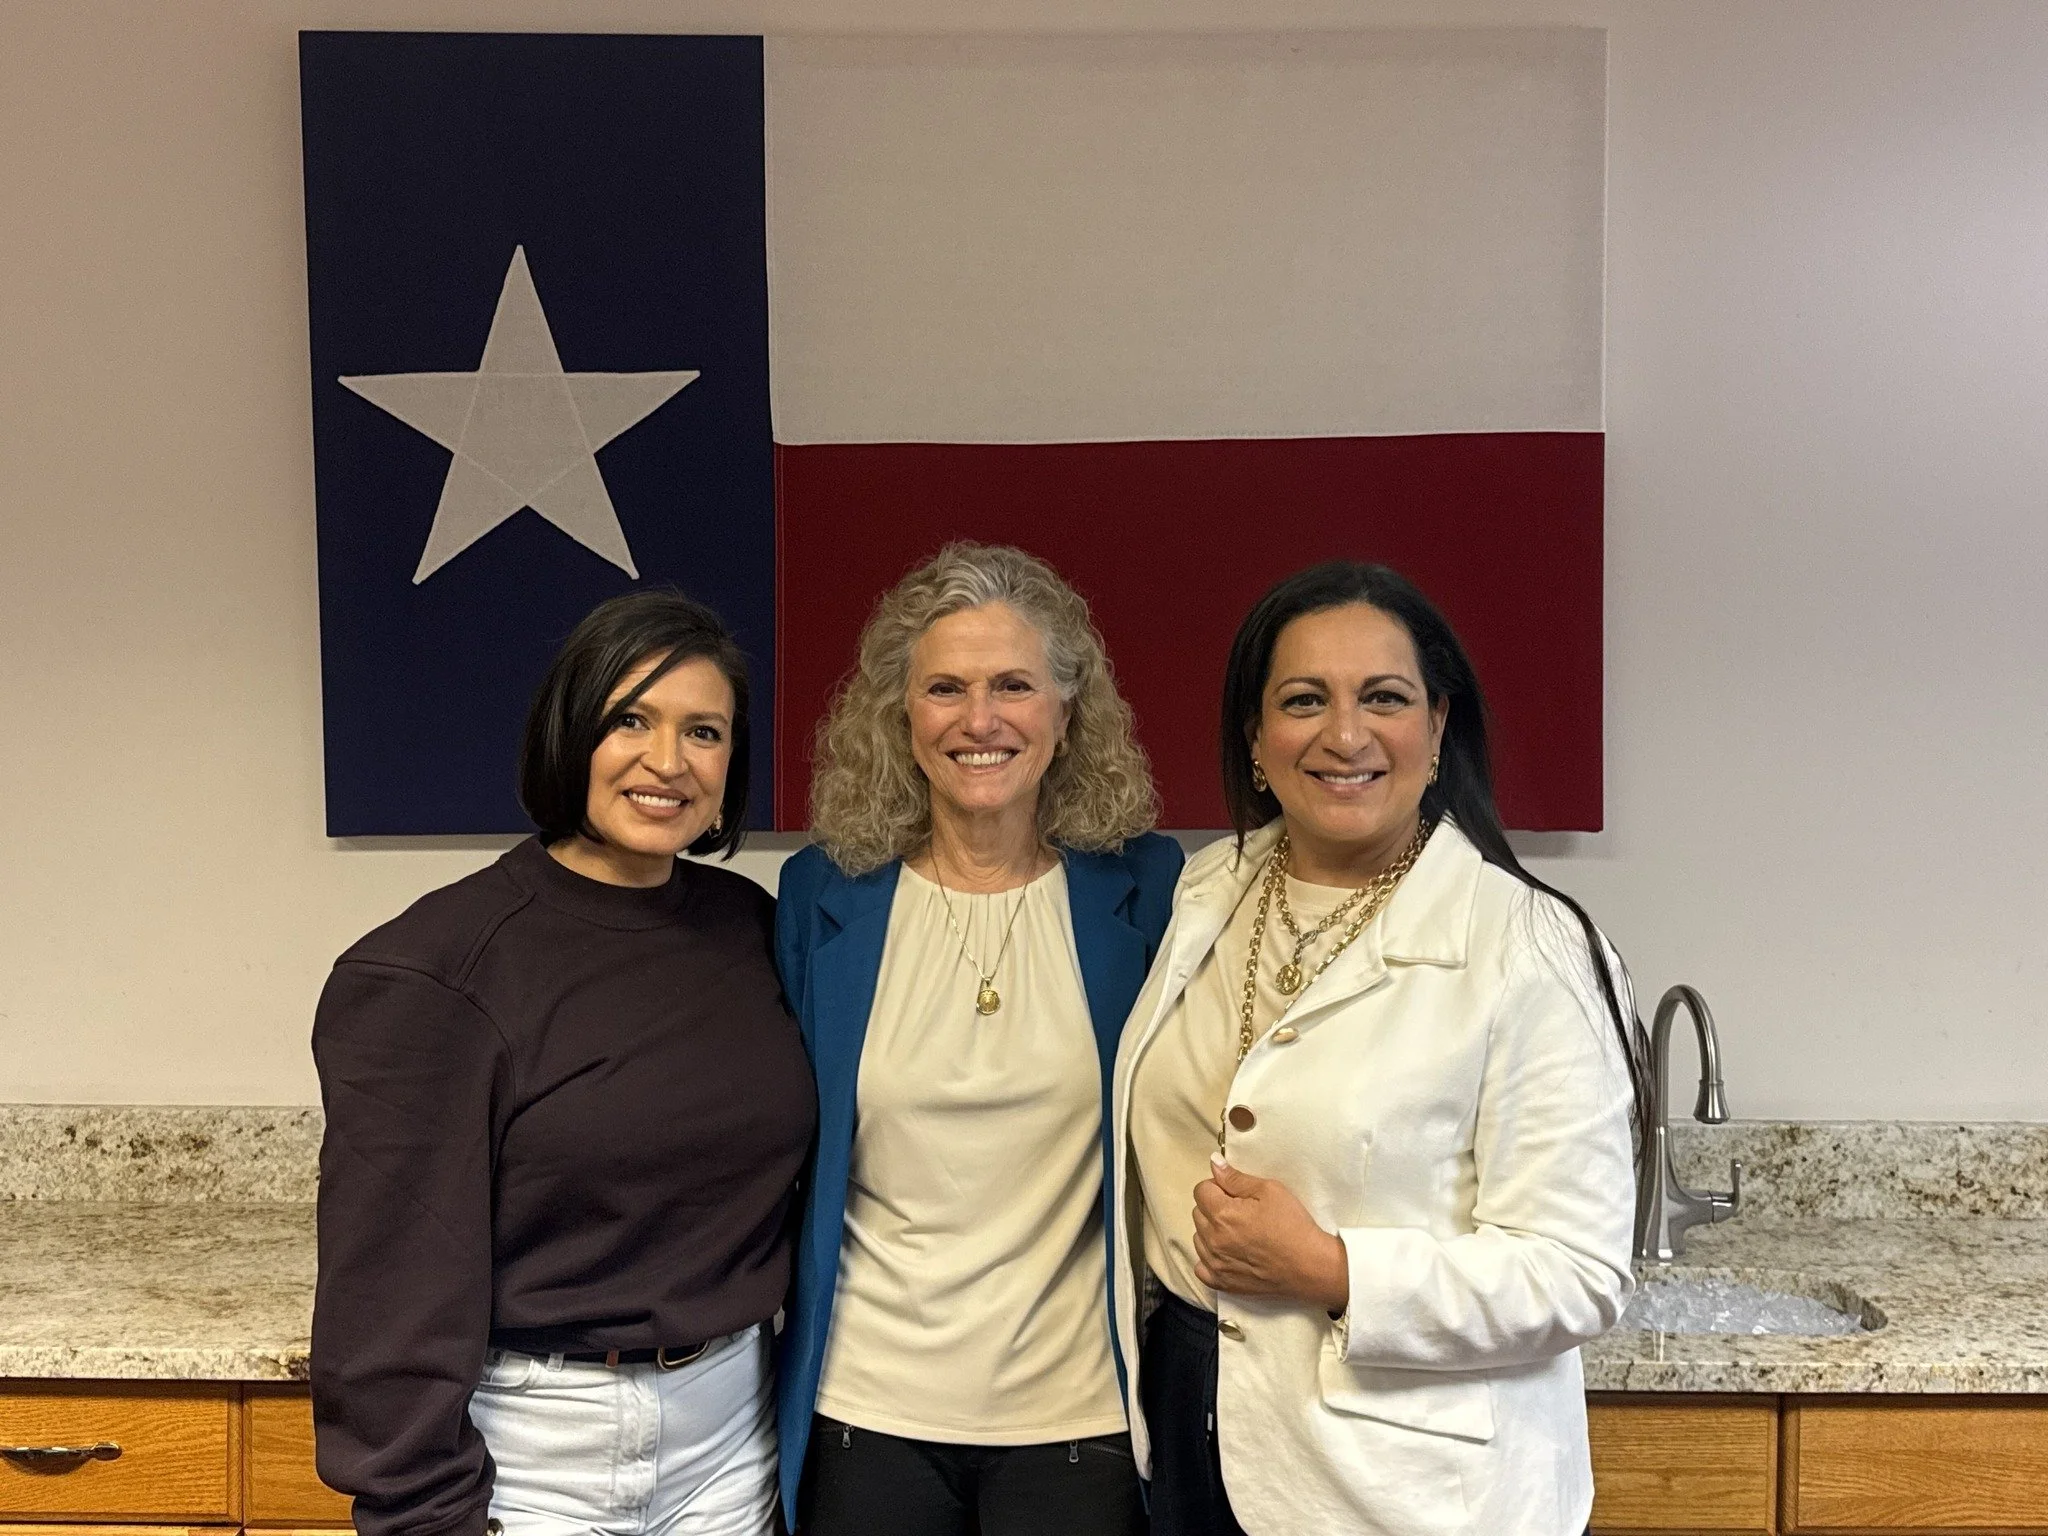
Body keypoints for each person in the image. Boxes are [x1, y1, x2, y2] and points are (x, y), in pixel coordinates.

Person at [1113, 561, 1644, 1536]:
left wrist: (1331, 1267)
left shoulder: (1525, 945)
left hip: (1402, 1489)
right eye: (1303, 700)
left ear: (1437, 729)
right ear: (1255, 736)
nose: (1343, 734)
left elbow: (1576, 1271)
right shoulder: (1206, 890)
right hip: (1190, 1432)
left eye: (1383, 699)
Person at [311, 590, 816, 1536]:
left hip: (732, 1443)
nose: (668, 762)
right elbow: (385, 1302)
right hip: (534, 1454)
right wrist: (422, 1513)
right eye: (631, 719)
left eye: (703, 732)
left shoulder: (751, 929)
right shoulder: (432, 974)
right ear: (568, 730)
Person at [775, 543, 1182, 1536]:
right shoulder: (821, 896)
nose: (979, 719)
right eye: (944, 688)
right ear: (900, 716)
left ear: (1065, 710)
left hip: (1076, 1421)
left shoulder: (1149, 892)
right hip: (864, 1420)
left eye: (1013, 685)